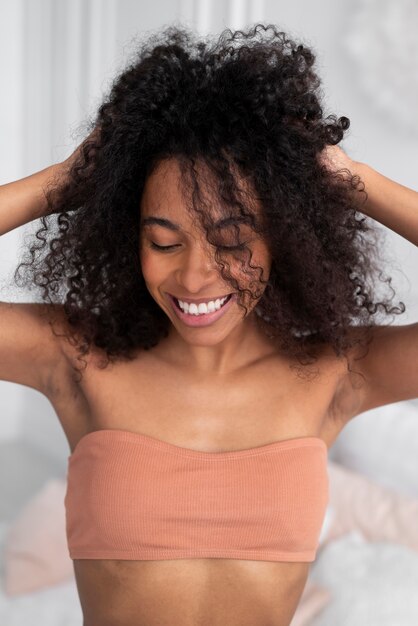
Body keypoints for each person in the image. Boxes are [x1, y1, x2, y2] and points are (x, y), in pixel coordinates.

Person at [1, 22, 417, 626]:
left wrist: (354, 183)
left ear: (287, 239)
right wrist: (63, 182)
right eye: (163, 242)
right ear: (128, 237)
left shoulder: (336, 371)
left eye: (232, 242)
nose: (196, 278)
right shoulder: (74, 356)